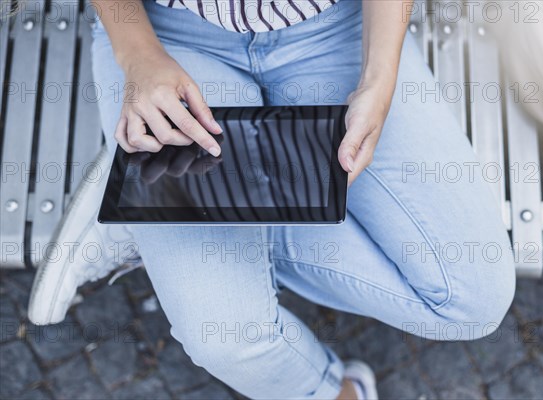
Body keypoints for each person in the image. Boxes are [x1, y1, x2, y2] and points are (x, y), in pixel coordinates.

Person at [28, 1, 517, 398]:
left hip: (338, 29)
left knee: (471, 302)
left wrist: (379, 79)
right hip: (168, 35)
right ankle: (337, 393)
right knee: (230, 340)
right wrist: (139, 55)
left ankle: (143, 208)